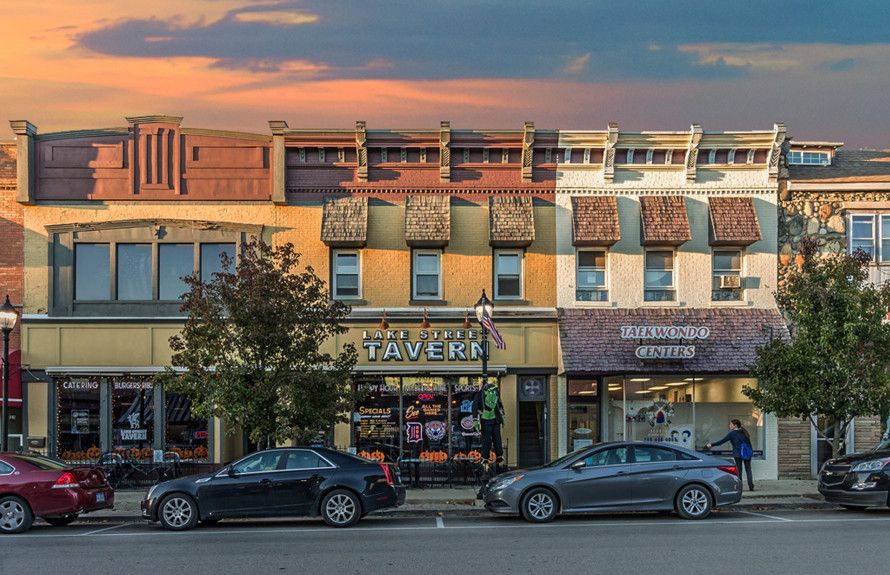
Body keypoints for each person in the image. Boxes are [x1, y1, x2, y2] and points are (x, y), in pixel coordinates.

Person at [707, 419, 754, 491]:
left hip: (737, 454)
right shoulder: (744, 431)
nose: (729, 425)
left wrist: (712, 444)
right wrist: (751, 452)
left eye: (731, 424)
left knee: (739, 471)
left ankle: (739, 487)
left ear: (735, 425)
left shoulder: (732, 433)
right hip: (747, 453)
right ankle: (751, 486)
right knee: (748, 470)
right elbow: (749, 444)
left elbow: (722, 441)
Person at [473, 381, 505, 475]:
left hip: (492, 419)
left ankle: (492, 457)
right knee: (490, 439)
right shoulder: (480, 395)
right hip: (488, 419)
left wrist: (502, 417)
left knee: (493, 438)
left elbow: (499, 405)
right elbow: (475, 408)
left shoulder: (492, 393)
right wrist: (475, 420)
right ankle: (489, 458)